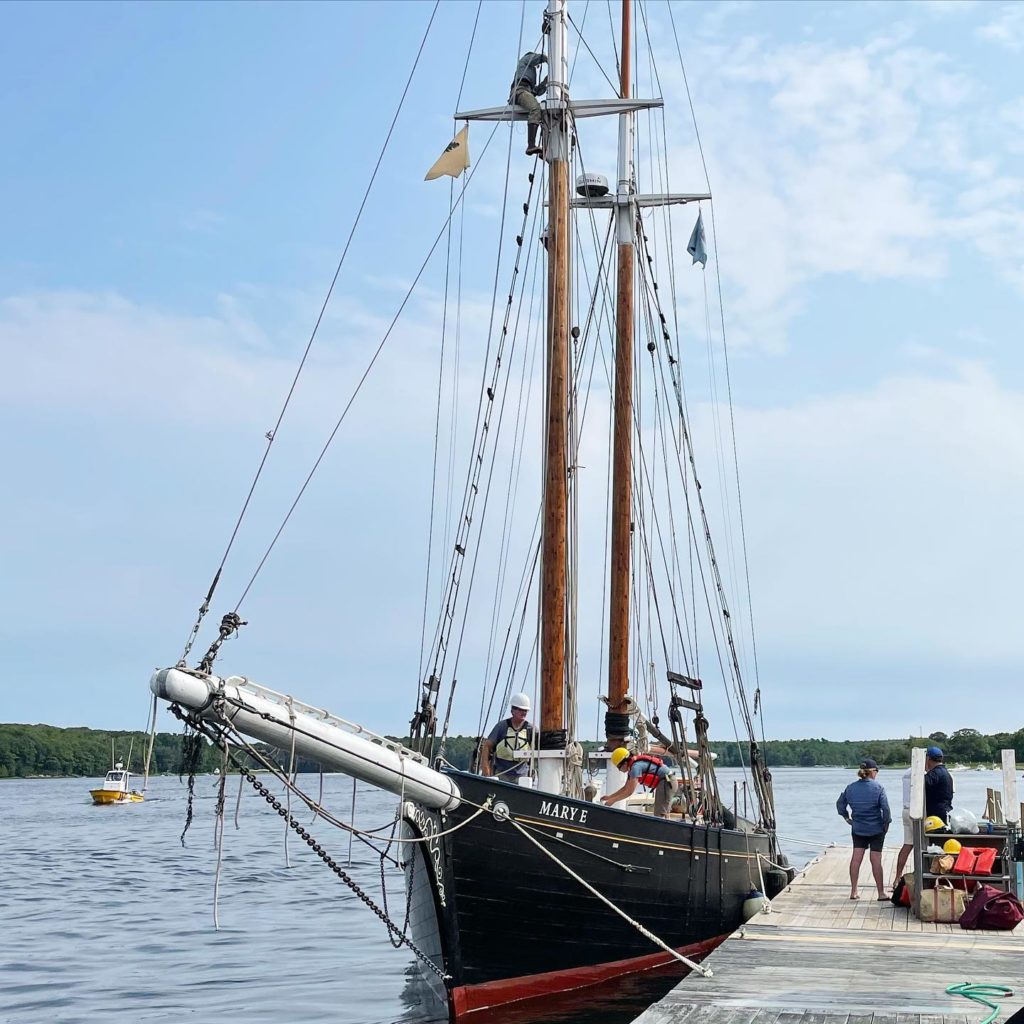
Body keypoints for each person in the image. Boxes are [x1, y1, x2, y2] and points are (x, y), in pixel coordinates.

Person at [836, 758, 891, 901]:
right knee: (875, 859)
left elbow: (840, 804)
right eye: (877, 771)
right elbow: (885, 809)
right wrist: (886, 823)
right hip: (876, 828)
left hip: (858, 828)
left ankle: (854, 891)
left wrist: (847, 818)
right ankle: (881, 893)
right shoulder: (878, 788)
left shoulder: (851, 788)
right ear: (873, 772)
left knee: (856, 858)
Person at [601, 747, 677, 818]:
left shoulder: (635, 767)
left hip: (668, 781)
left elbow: (629, 792)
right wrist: (610, 797)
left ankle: (663, 830)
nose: (619, 770)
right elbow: (625, 788)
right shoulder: (633, 767)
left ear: (624, 763)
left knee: (660, 813)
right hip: (668, 780)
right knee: (662, 811)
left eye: (619, 767)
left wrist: (613, 801)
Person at [479, 693, 535, 779]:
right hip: (501, 773)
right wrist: (486, 769)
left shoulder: (531, 729)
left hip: (523, 775)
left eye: (525, 710)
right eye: (521, 709)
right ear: (513, 710)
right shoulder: (502, 726)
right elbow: (487, 746)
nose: (523, 712)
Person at [509, 52, 548, 156]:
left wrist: (545, 83)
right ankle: (531, 145)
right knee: (535, 109)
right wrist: (548, 59)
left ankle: (545, 150)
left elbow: (535, 92)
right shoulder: (525, 60)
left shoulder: (530, 72)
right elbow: (535, 58)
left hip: (526, 91)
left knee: (545, 115)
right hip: (519, 91)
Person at [892, 763, 913, 887]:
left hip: (905, 809)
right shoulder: (921, 774)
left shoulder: (906, 773)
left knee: (907, 844)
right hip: (915, 812)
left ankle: (897, 878)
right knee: (922, 845)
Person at [924, 745, 953, 823]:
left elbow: (921, 787)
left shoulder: (933, 774)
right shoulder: (946, 773)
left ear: (928, 759)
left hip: (936, 816)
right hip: (946, 810)